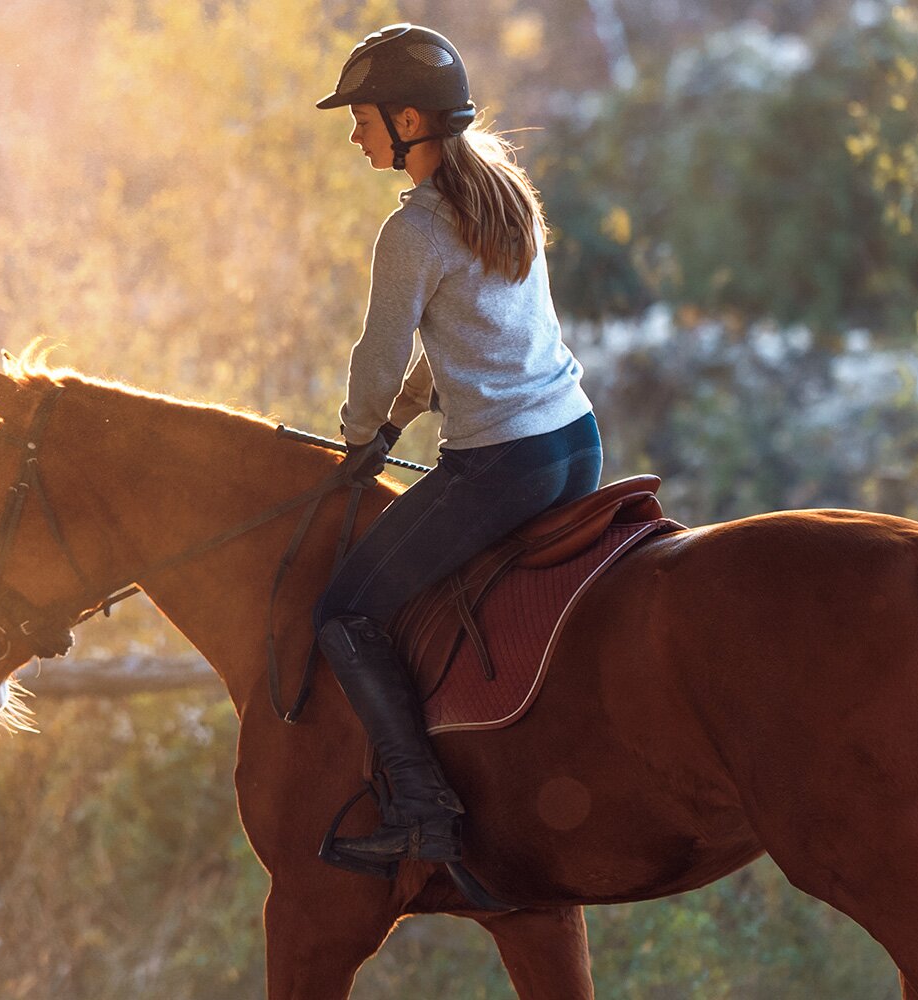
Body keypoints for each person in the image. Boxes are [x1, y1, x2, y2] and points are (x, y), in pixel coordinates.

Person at [312, 23, 603, 871]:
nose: (354, 131)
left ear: (407, 119)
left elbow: (381, 353)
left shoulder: (413, 231)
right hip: (574, 441)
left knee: (344, 610)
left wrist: (360, 434)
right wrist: (399, 424)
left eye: (361, 116)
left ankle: (422, 808)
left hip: (504, 464)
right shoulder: (503, 191)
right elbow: (461, 347)